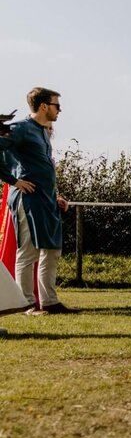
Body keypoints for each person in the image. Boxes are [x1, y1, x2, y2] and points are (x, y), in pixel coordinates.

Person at [0, 87, 77, 314]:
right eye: (57, 105)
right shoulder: (21, 128)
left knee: (52, 250)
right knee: (29, 251)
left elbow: (44, 168)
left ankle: (50, 302)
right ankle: (27, 305)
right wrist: (13, 181)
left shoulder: (43, 131)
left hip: (46, 198)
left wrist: (56, 195)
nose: (59, 111)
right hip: (28, 198)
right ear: (44, 106)